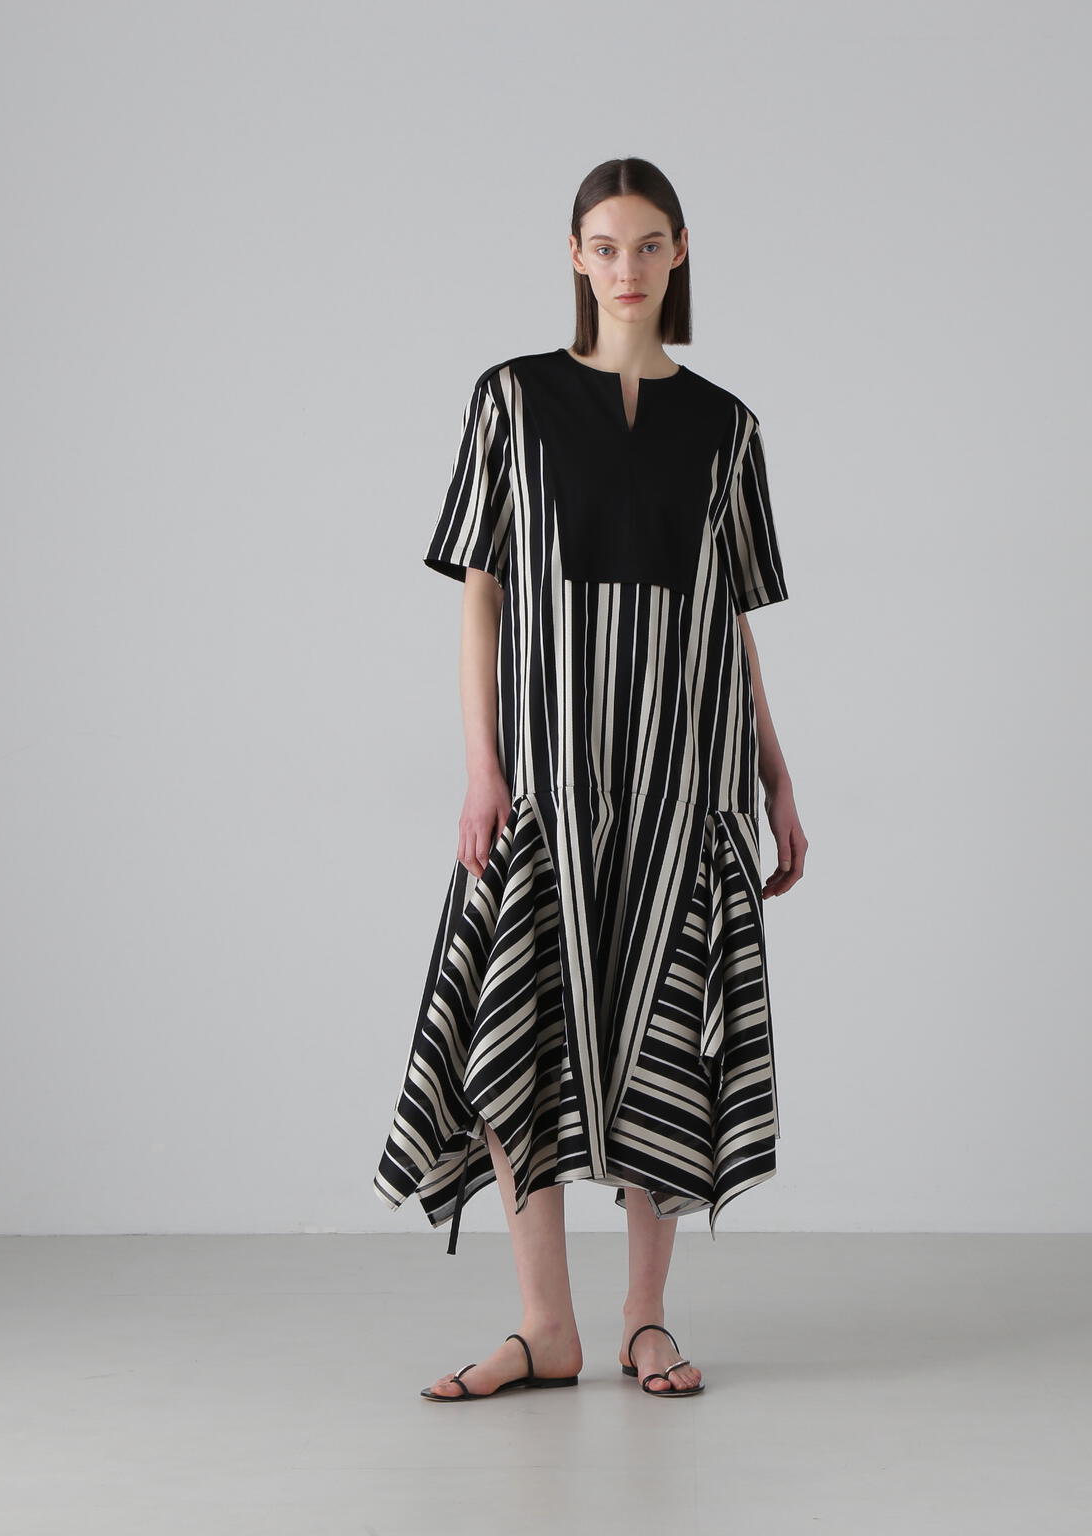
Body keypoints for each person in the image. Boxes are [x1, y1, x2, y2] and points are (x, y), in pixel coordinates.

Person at [373, 157, 808, 1401]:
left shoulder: (727, 426)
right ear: (574, 255)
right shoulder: (510, 399)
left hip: (683, 776)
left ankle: (643, 1319)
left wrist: (774, 776)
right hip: (550, 777)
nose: (627, 266)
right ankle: (544, 1326)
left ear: (680, 253)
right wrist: (481, 766)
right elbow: (481, 594)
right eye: (605, 245)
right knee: (522, 1023)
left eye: (648, 244)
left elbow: (729, 618)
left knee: (663, 1029)